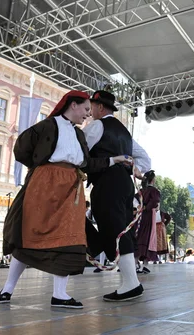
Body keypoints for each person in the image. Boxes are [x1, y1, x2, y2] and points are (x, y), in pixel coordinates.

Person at [0, 90, 132, 309]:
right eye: (86, 109)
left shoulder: (79, 135)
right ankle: (7, 289)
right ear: (73, 105)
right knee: (29, 236)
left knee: (69, 239)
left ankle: (59, 294)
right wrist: (41, 169)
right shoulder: (47, 126)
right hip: (44, 186)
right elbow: (21, 148)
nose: (88, 114)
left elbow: (87, 164)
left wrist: (114, 160)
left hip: (71, 189)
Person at [84, 90, 151, 302]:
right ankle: (131, 282)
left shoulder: (96, 126)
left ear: (100, 108)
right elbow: (145, 158)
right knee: (121, 230)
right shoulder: (125, 133)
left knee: (112, 230)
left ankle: (130, 283)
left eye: (92, 106)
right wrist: (135, 168)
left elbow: (79, 153)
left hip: (107, 182)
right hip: (124, 184)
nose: (90, 111)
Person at [135, 170, 160, 273]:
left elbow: (135, 201)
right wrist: (146, 207)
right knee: (149, 239)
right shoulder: (154, 191)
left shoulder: (140, 191)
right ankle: (143, 265)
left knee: (139, 237)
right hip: (149, 216)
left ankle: (136, 264)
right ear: (153, 180)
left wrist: (140, 208)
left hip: (139, 216)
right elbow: (154, 202)